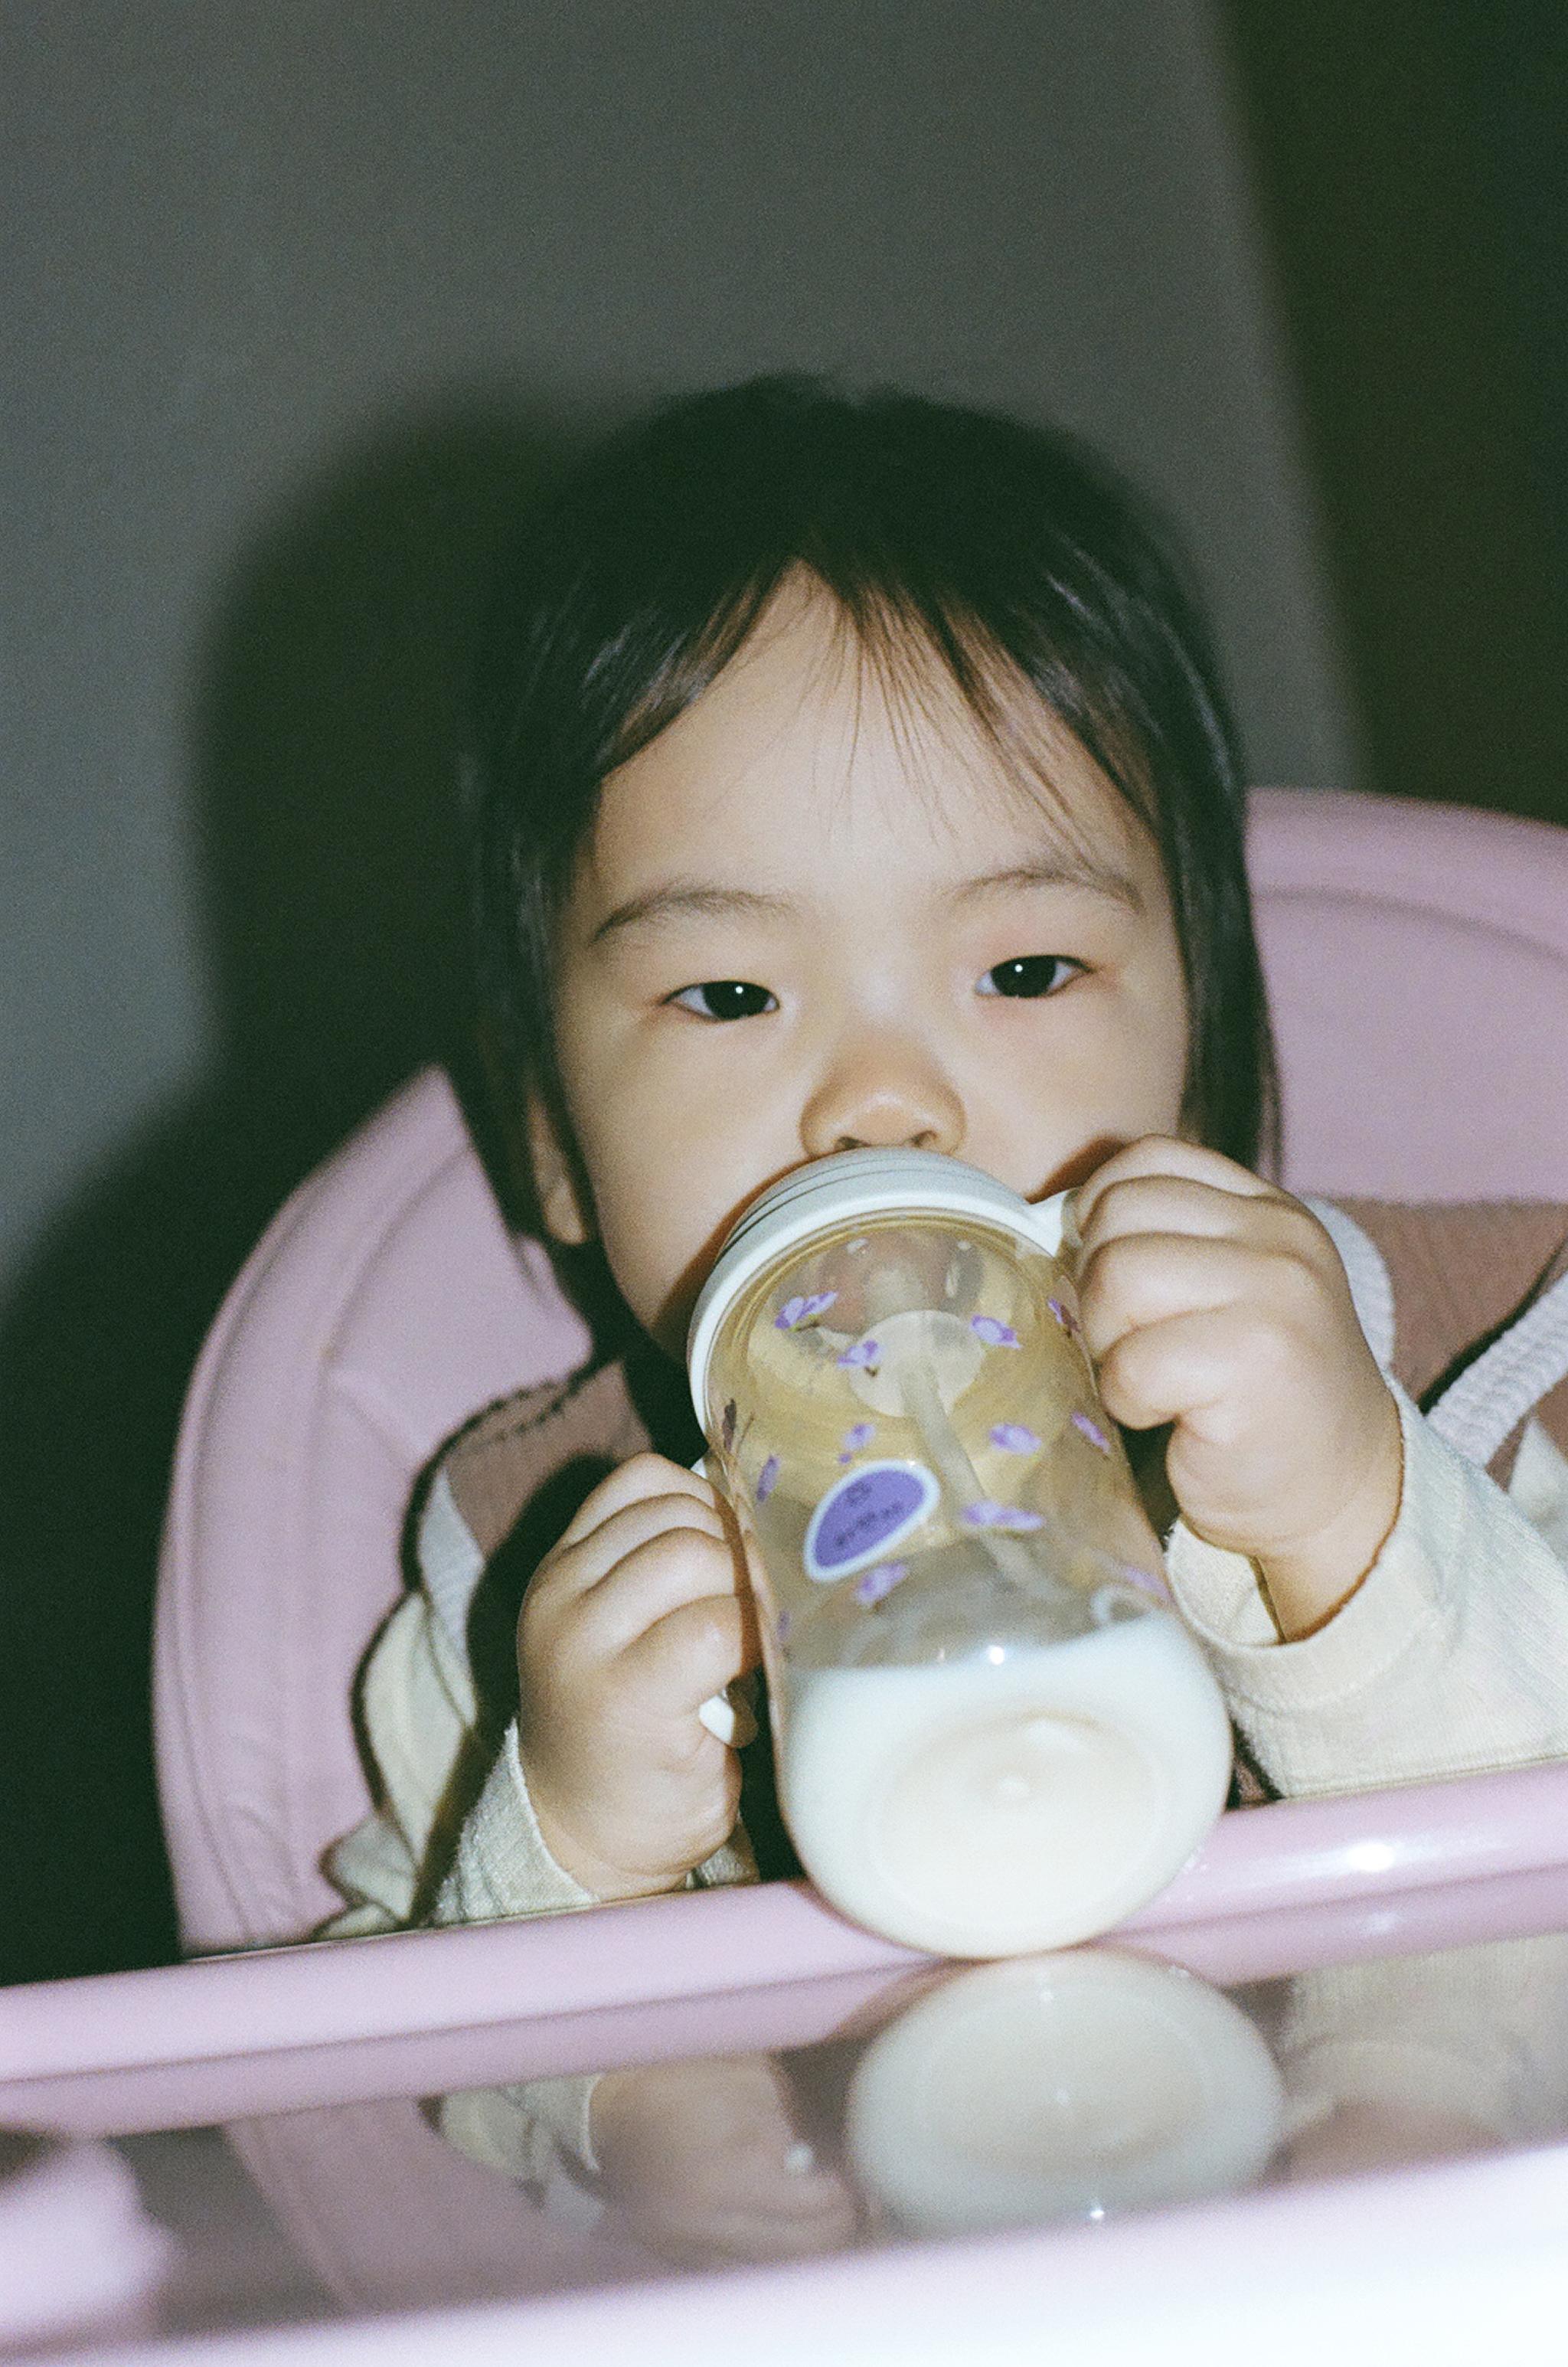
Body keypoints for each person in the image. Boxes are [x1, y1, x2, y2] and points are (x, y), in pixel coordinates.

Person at [323, 374, 1568, 1947]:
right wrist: (563, 1855)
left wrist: (1350, 1529)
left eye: (1026, 972)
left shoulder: (1466, 1370)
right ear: (553, 1144)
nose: (883, 1105)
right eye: (730, 996)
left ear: (1201, 1051)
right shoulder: (533, 1580)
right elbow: (358, 2086)